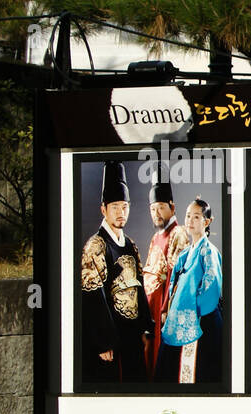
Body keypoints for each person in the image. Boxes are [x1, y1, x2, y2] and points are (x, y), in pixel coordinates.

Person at [80, 161, 153, 384]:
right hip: (110, 336)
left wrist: (144, 327)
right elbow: (92, 295)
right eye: (115, 207)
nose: (121, 213)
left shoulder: (130, 244)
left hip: (132, 333)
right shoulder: (96, 245)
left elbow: (139, 285)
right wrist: (104, 341)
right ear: (104, 209)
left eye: (125, 206)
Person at [156, 197, 223, 384]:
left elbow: (211, 288)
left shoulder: (209, 251)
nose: (190, 221)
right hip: (177, 319)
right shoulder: (185, 253)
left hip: (201, 320)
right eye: (187, 216)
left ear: (206, 222)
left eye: (196, 217)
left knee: (199, 372)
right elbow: (173, 286)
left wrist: (191, 313)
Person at [141, 163, 189, 378]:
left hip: (163, 308)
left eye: (161, 207)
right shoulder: (155, 237)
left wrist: (166, 311)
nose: (156, 213)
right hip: (150, 308)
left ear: (172, 207)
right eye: (152, 208)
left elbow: (178, 277)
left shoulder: (178, 233)